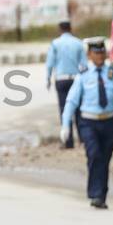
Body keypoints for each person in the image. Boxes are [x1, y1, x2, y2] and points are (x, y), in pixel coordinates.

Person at [61, 38, 113, 210]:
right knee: (94, 154)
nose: (100, 56)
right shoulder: (83, 75)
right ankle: (95, 192)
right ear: (89, 55)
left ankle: (101, 194)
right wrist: (65, 125)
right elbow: (71, 101)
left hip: (108, 120)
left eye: (102, 53)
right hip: (88, 121)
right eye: (96, 53)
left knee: (105, 158)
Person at [44, 19, 86, 148]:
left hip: (61, 80)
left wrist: (48, 79)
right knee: (78, 110)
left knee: (64, 109)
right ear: (70, 29)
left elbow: (50, 63)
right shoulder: (78, 43)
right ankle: (83, 139)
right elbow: (84, 65)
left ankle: (68, 141)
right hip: (76, 79)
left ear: (60, 30)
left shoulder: (55, 44)